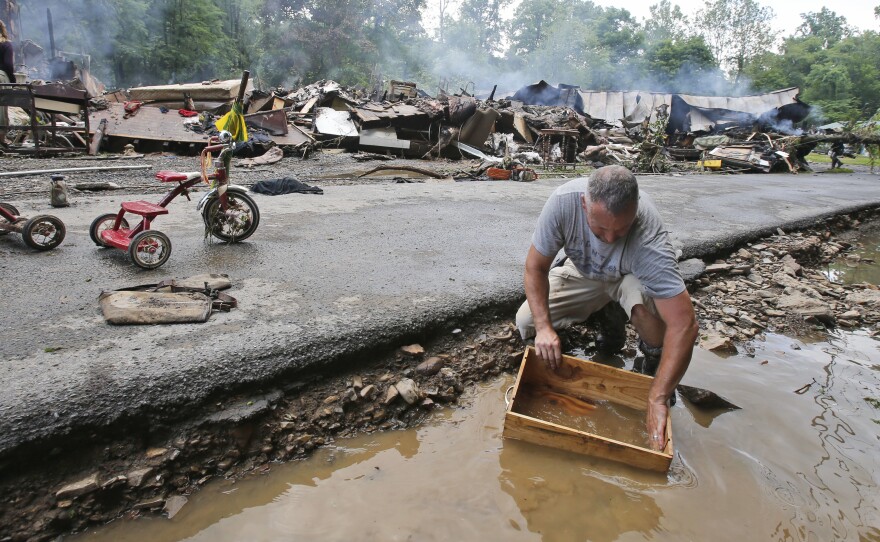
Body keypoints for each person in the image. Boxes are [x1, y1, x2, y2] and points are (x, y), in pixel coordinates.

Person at [516, 165, 698, 451]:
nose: (611, 239)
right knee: (526, 322)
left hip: (628, 278)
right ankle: (604, 313)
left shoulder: (650, 238)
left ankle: (648, 363)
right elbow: (534, 267)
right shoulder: (563, 203)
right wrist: (544, 329)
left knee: (652, 328)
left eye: (622, 229)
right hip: (584, 271)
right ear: (584, 205)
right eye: (600, 228)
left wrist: (657, 396)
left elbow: (684, 325)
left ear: (636, 211)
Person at [0, 19, 14, 146]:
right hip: (0, 76)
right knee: (1, 107)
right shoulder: (6, 44)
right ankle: (1, 138)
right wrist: (13, 81)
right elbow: (8, 65)